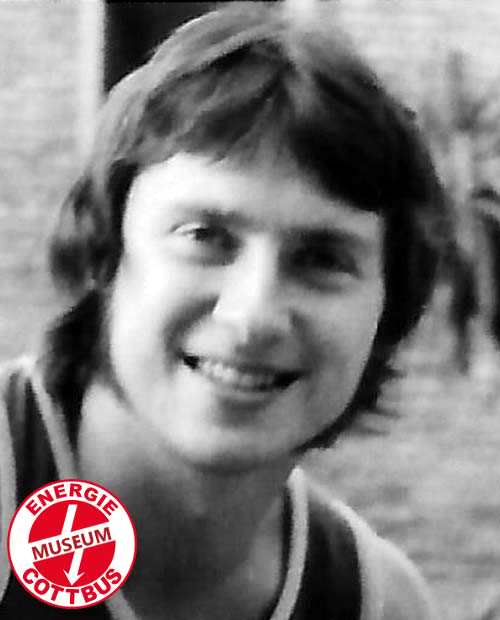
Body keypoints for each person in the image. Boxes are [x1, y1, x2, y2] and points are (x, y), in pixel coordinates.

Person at [0, 2, 451, 618]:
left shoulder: (375, 602)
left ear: (388, 312)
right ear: (104, 251)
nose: (252, 316)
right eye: (205, 236)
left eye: (322, 259)